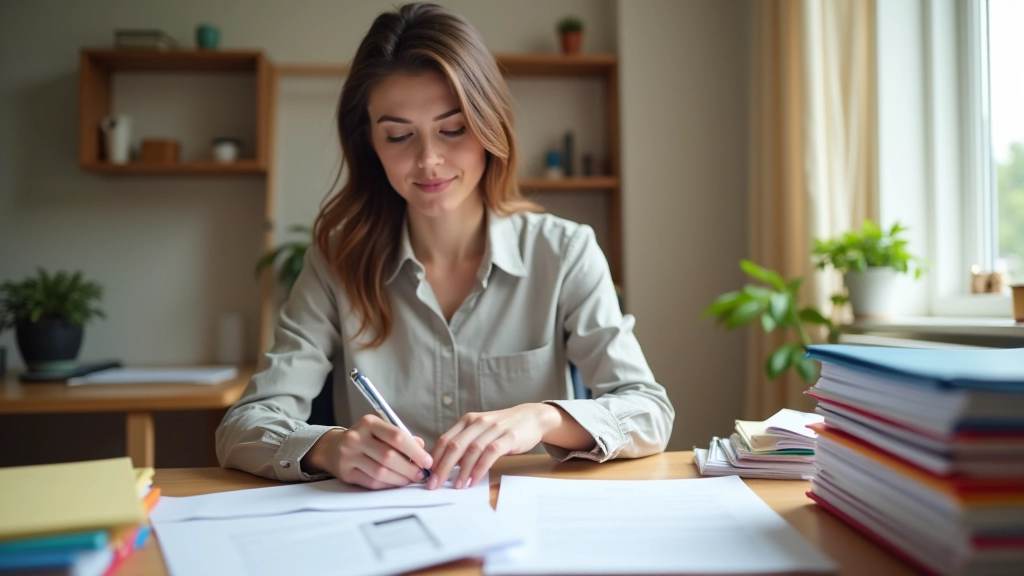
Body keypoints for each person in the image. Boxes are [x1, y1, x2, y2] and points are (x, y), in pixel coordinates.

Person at [216, 2, 674, 491]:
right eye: (398, 136)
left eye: (452, 129)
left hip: (527, 529)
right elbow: (244, 426)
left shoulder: (564, 252)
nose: (428, 160)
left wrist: (540, 418)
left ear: (487, 126)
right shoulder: (336, 263)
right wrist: (329, 447)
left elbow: (648, 410)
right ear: (369, 142)